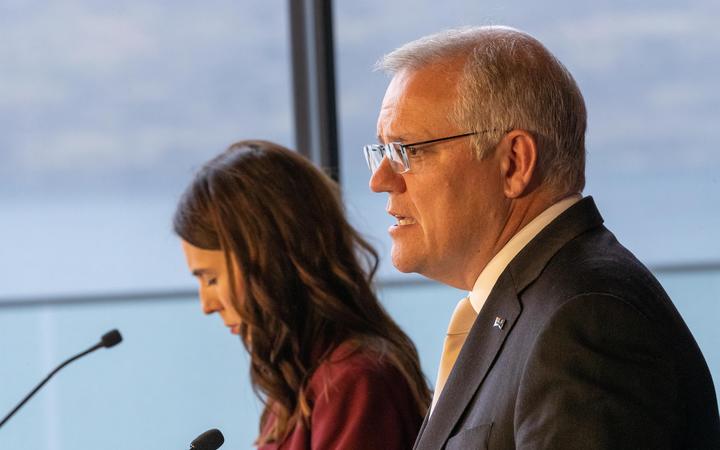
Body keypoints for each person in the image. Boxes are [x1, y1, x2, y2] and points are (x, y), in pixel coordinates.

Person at [364, 25, 720, 449]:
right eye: (382, 151)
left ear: (514, 162)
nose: (380, 180)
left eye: (408, 150)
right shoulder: (543, 303)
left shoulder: (589, 320)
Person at [175, 140, 431, 449]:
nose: (207, 305)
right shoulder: (298, 388)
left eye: (212, 279)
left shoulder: (352, 383)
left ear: (271, 261)